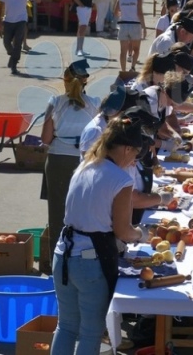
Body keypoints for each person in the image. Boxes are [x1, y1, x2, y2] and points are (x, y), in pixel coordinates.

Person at [52, 115, 148, 354]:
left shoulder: (85, 164)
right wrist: (141, 235)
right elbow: (123, 231)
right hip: (89, 261)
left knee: (66, 326)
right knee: (91, 332)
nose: (134, 160)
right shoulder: (121, 179)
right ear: (126, 149)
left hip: (63, 252)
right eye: (135, 153)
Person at [41, 60, 101, 253]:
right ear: (86, 82)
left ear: (65, 81)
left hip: (58, 160)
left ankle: (56, 260)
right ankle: (82, 256)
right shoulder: (95, 104)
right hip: (85, 162)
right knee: (84, 212)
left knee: (57, 214)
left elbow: (46, 138)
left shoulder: (55, 103)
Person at [0, 0, 36, 75]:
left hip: (21, 19)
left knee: (18, 42)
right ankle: (12, 54)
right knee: (6, 42)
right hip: (8, 19)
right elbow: (1, 4)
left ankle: (14, 64)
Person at [114, 0, 146, 73]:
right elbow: (140, 13)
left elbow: (115, 12)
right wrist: (144, 27)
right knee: (136, 49)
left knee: (123, 51)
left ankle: (123, 70)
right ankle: (132, 67)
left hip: (123, 25)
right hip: (135, 25)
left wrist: (123, 14)